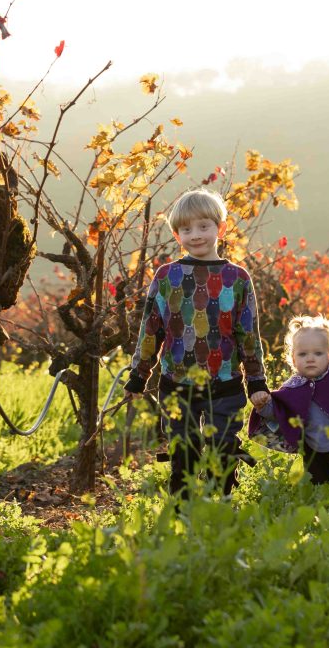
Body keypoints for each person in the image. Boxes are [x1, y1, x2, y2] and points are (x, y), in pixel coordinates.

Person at [123, 189, 268, 498]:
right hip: (177, 382)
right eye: (186, 229)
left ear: (221, 228)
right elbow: (151, 329)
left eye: (203, 226)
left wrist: (257, 380)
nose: (195, 235)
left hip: (225, 381)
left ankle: (220, 505)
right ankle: (183, 511)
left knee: (224, 448)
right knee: (183, 451)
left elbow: (248, 333)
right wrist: (139, 374)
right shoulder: (167, 276)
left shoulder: (237, 278)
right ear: (177, 235)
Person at [247, 316, 329, 484]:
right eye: (303, 354)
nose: (310, 358)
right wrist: (263, 404)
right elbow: (279, 412)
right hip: (314, 454)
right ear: (293, 359)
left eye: (318, 353)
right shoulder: (293, 387)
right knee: (320, 492)